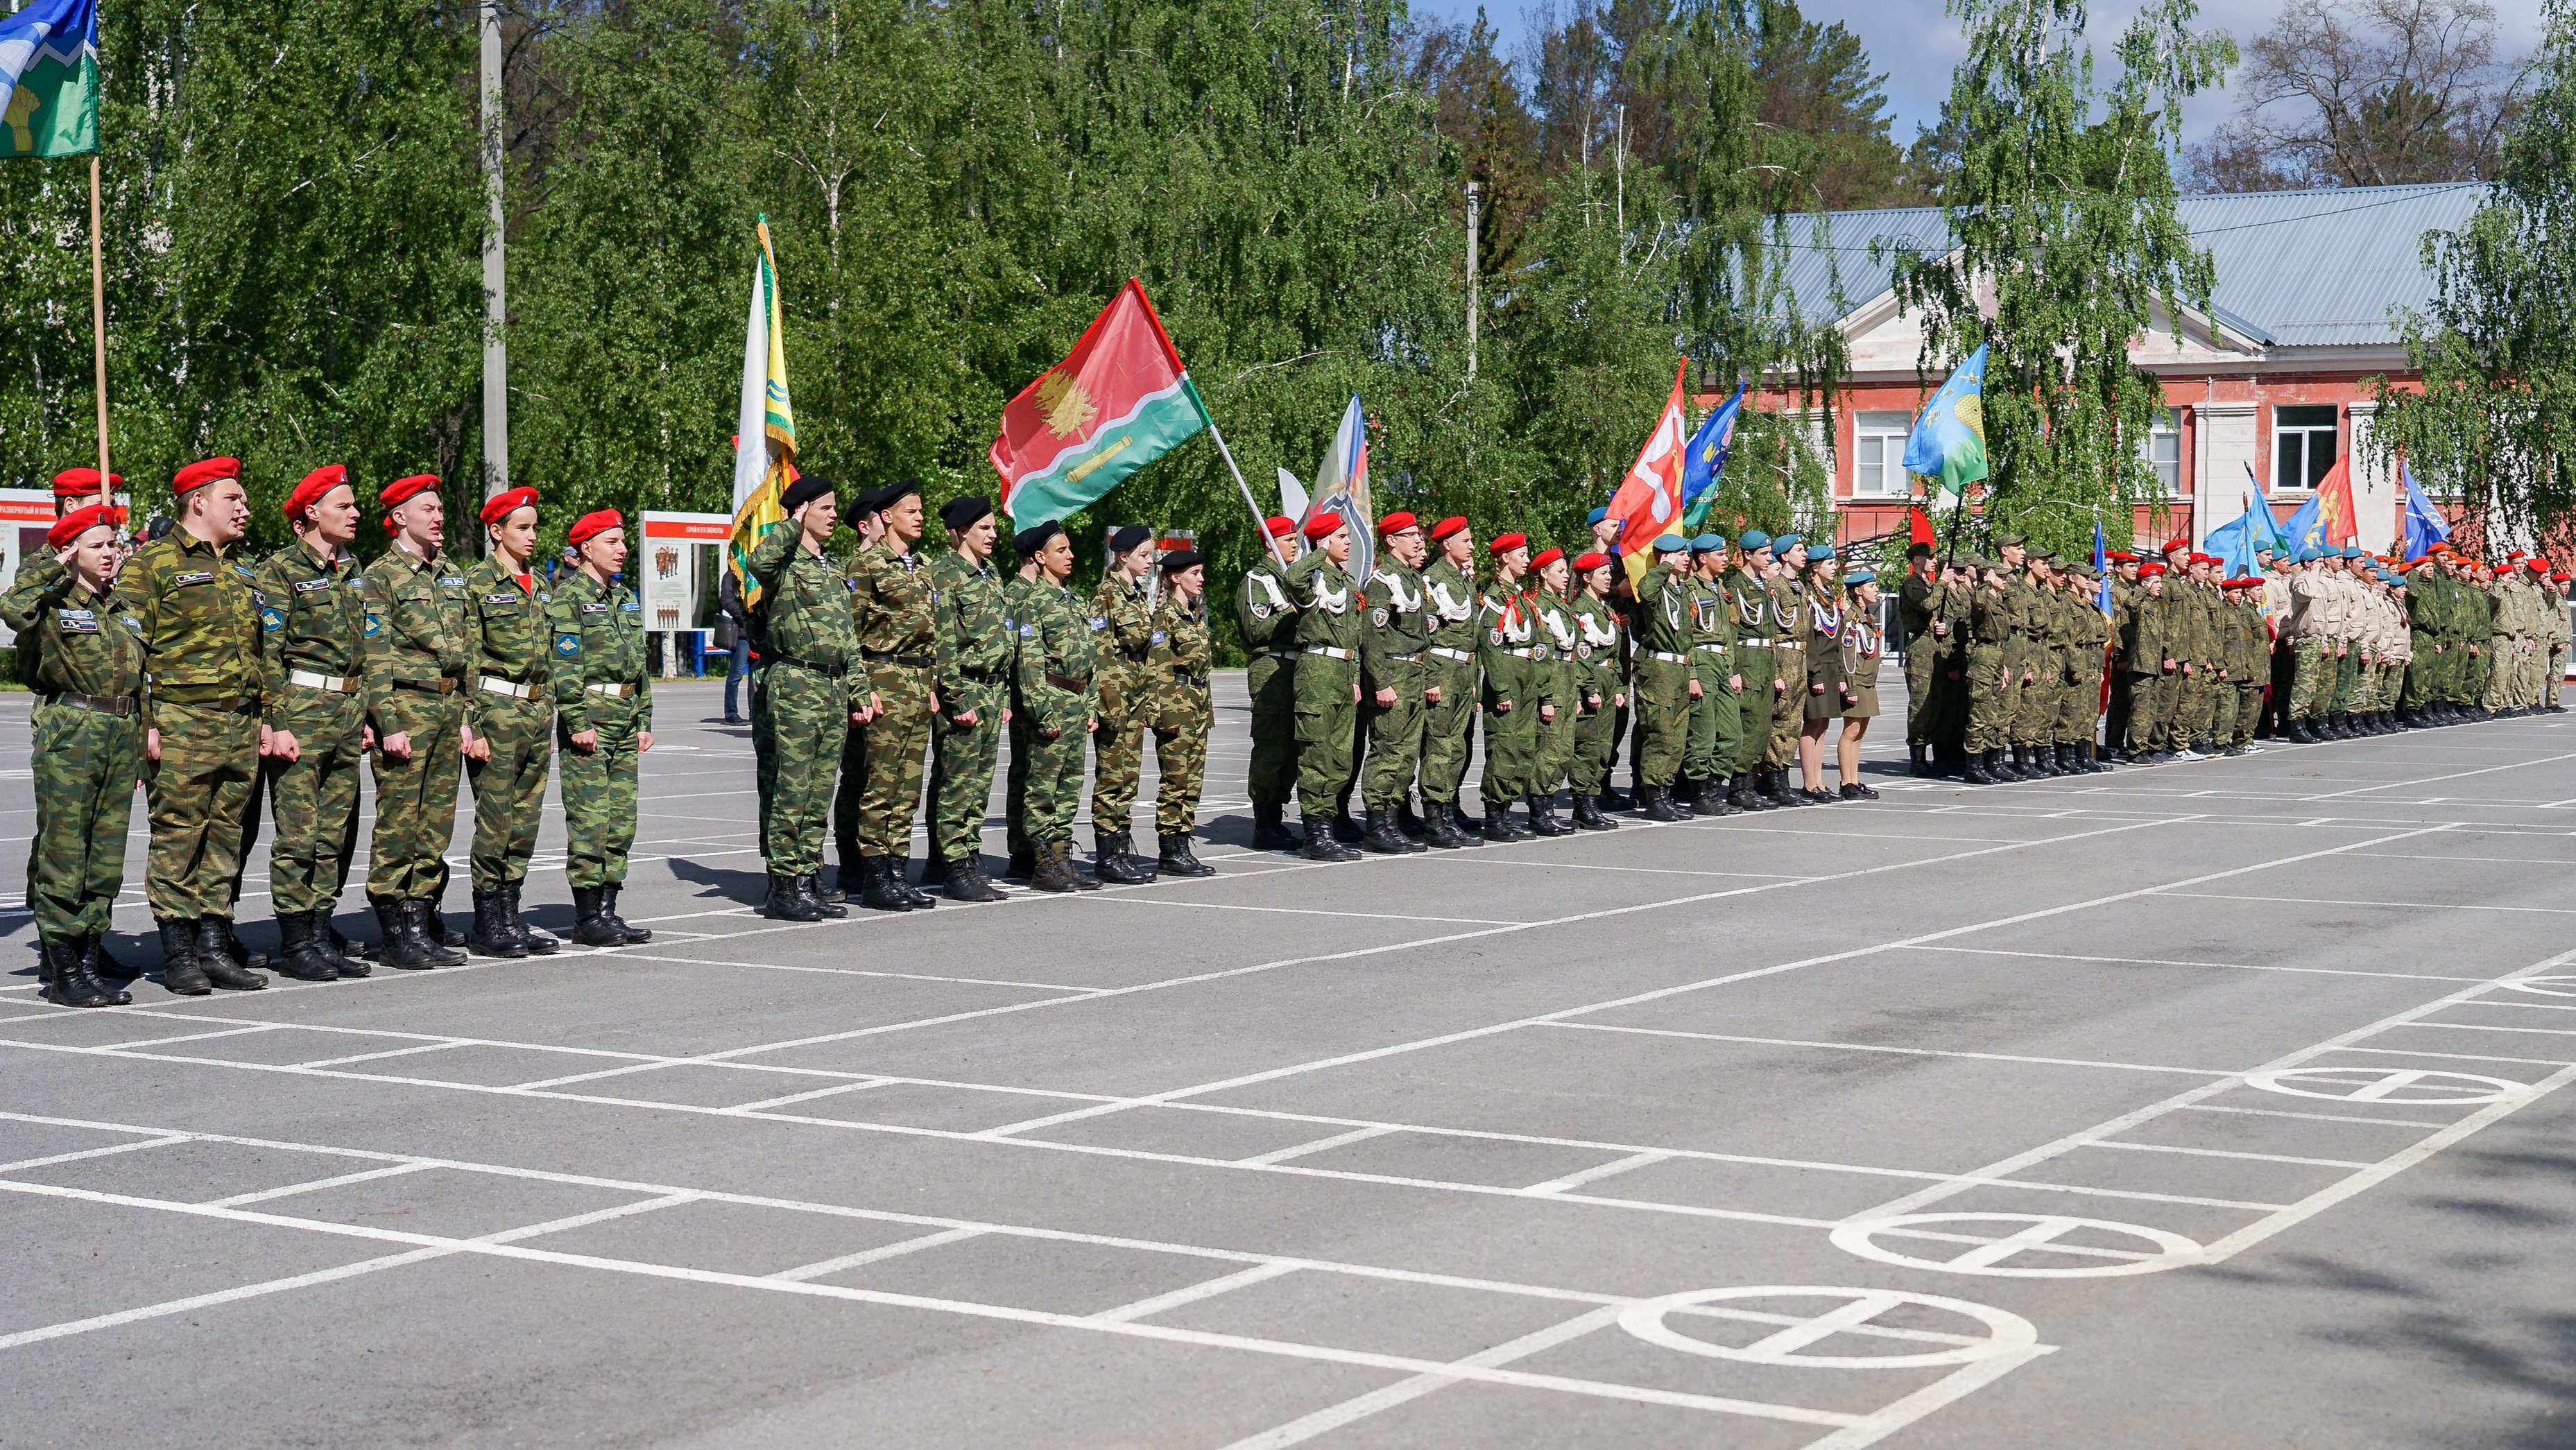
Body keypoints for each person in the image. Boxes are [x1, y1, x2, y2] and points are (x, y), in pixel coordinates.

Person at [133, 457, 271, 993]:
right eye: (233, 499)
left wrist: (263, 716)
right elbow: (131, 651)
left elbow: (261, 652)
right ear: (199, 502)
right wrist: (145, 725)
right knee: (178, 836)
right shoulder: (153, 564)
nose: (244, 508)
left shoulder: (241, 569)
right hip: (182, 721)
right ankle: (179, 953)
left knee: (225, 838)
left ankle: (215, 945)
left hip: (238, 722)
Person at [10, 503, 141, 1005]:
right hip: (72, 730)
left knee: (105, 855)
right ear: (72, 553)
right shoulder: (51, 602)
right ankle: (63, 967)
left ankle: (89, 957)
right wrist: (52, 564)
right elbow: (11, 608)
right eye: (97, 546)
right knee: (66, 852)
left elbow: (138, 679)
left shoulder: (122, 607)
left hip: (120, 729)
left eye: (113, 544)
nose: (109, 553)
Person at [253, 465, 375, 983]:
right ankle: (296, 940)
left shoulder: (354, 569)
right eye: (343, 505)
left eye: (353, 505)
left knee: (335, 834)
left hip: (347, 711)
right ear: (311, 512)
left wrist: (367, 711)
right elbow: (268, 654)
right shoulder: (280, 571)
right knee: (299, 834)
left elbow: (366, 649)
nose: (355, 513)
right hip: (301, 710)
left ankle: (321, 931)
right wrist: (275, 721)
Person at [361, 474, 472, 968]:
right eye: (427, 508)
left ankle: (420, 916)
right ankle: (393, 930)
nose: (439, 516)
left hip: (448, 708)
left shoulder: (450, 572)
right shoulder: (380, 575)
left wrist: (468, 716)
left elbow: (466, 652)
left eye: (441, 509)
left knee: (436, 825)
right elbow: (374, 656)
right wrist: (387, 722)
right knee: (399, 824)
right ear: (400, 517)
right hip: (407, 707)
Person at [746, 475, 861, 921]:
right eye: (825, 507)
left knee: (817, 790)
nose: (834, 515)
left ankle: (809, 873)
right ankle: (784, 882)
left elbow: (846, 636)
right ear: (801, 511)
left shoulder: (830, 568)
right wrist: (791, 523)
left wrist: (858, 687)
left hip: (831, 685)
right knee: (790, 788)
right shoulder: (784, 562)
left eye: (835, 508)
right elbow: (758, 562)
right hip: (795, 683)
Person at [458, 487, 562, 958]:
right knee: (496, 820)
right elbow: (467, 659)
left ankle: (511, 913)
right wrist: (472, 723)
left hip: (537, 711)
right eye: (523, 527)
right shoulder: (476, 583)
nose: (532, 536)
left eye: (535, 527)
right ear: (496, 531)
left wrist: (551, 714)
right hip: (496, 709)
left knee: (525, 822)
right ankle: (487, 920)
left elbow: (550, 657)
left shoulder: (539, 584)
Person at [551, 509, 655, 945]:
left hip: (625, 718)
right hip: (591, 717)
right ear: (586, 548)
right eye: (612, 542)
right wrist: (576, 720)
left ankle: (610, 910)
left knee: (621, 822)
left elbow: (640, 665)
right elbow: (564, 663)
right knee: (590, 821)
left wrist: (645, 717)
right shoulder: (569, 597)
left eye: (623, 541)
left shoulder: (624, 596)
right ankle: (587, 916)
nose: (622, 549)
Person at [846, 478, 943, 911]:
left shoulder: (921, 565)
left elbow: (933, 633)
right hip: (884, 677)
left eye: (921, 511)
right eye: (911, 511)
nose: (920, 517)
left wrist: (934, 684)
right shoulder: (865, 565)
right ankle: (874, 875)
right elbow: (849, 633)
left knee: (908, 786)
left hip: (919, 684)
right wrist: (862, 688)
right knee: (880, 784)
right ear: (886, 517)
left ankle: (898, 869)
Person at [923, 494, 1013, 904]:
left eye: (993, 527)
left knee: (978, 785)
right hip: (967, 688)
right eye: (986, 528)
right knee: (957, 782)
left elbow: (1004, 638)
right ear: (962, 532)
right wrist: (957, 699)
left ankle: (963, 856)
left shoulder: (990, 573)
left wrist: (1006, 691)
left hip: (994, 689)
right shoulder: (944, 575)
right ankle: (954, 866)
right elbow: (943, 644)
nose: (994, 535)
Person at [1008, 519, 1101, 892]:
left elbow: (1091, 658)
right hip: (1052, 699)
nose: (1070, 556)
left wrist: (1091, 704)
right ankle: (1043, 862)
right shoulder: (1032, 603)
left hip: (1077, 701)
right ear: (1039, 557)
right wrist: (1042, 713)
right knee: (1043, 787)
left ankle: (1062, 858)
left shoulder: (1073, 599)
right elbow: (1029, 665)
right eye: (1061, 550)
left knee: (1068, 786)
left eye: (1069, 549)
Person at [1357, 512, 1434, 854]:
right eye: (1410, 535)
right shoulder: (1382, 582)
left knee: (1406, 754)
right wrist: (1381, 682)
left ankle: (1392, 819)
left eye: (1419, 534)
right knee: (1388, 750)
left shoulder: (1412, 579)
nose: (1419, 540)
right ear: (1392, 540)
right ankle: (1378, 825)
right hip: (1393, 674)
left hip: (1414, 674)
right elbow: (1372, 638)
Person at [1087, 523, 1160, 883]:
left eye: (1151, 555)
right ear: (1123, 556)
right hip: (1116, 696)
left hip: (1135, 693)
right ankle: (1107, 853)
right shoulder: (1105, 595)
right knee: (1113, 773)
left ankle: (1121, 842)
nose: (1150, 562)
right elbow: (1100, 653)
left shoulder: (1135, 594)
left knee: (1129, 774)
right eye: (1144, 556)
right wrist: (1109, 703)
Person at [1290, 512, 1364, 861]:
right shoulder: (1313, 576)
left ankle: (1329, 825)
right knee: (1316, 755)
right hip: (1317, 669)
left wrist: (1354, 680)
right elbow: (1292, 578)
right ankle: (1315, 834)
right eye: (1341, 536)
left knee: (1340, 756)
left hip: (1343, 669)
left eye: (1347, 536)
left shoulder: (1346, 580)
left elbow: (1356, 636)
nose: (1348, 542)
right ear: (1324, 541)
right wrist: (1317, 553)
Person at [1475, 533, 1552, 840]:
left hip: (1527, 681)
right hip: (1507, 679)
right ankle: (1495, 816)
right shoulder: (1495, 598)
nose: (1527, 560)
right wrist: (1501, 690)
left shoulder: (1522, 598)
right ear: (1505, 558)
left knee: (1522, 748)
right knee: (1504, 748)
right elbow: (1490, 647)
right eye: (1521, 554)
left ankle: (1506, 810)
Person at [1147, 547, 1218, 876]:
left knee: (1193, 779)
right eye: (1195, 574)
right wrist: (1164, 713)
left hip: (1198, 701)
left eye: (1201, 573)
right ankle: (1170, 847)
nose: (1201, 579)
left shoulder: (1194, 614)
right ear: (1176, 577)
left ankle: (1183, 839)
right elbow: (1158, 666)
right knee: (1175, 778)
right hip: (1177, 703)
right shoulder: (1165, 617)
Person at [1238, 515, 1304, 849]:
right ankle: (1264, 821)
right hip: (1271, 667)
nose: (1295, 544)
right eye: (1287, 540)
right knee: (1272, 746)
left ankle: (1277, 815)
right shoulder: (1259, 579)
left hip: (1300, 668)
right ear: (1269, 543)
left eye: (1295, 539)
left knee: (1294, 746)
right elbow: (1257, 630)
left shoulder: (1295, 576)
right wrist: (1292, 611)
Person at [1418, 516, 1484, 843]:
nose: (1472, 546)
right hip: (1442, 671)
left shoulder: (1463, 580)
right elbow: (1427, 636)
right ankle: (1434, 818)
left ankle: (1446, 811)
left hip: (1463, 672)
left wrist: (1473, 677)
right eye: (1466, 541)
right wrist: (1431, 678)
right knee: (1441, 746)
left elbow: (1472, 636)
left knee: (1456, 747)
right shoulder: (1433, 580)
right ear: (1448, 545)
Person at [1681, 534, 1742, 817]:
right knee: (1703, 734)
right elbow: (1686, 636)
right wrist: (1692, 673)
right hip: (1701, 661)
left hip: (1721, 662)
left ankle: (1714, 786)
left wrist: (1732, 669)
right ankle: (1699, 793)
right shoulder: (1689, 589)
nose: (1726, 558)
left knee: (1732, 734)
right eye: (1721, 554)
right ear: (1703, 558)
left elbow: (1728, 633)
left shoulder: (1720, 589)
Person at [1721, 532, 1780, 813]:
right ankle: (1738, 786)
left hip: (1765, 659)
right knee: (1747, 724)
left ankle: (1749, 784)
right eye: (1764, 554)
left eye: (1770, 553)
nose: (1769, 558)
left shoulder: (1762, 585)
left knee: (1761, 727)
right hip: (1748, 660)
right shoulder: (1736, 586)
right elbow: (1731, 632)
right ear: (1747, 555)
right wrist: (1734, 669)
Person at [1566, 551, 1624, 831]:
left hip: (1609, 679)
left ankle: (1594, 796)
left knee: (1603, 746)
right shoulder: (1580, 610)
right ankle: (1583, 803)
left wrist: (1621, 686)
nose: (1608, 578)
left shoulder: (1605, 609)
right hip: (1592, 681)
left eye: (1609, 573)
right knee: (1588, 746)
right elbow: (1582, 655)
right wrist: (1589, 689)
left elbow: (1616, 653)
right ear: (1587, 578)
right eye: (1603, 574)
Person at [1525, 546, 1579, 836]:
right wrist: (1546, 697)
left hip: (1567, 683)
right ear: (1544, 574)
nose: (1566, 575)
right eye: (1560, 571)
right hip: (1552, 684)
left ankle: (1548, 806)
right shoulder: (1538, 606)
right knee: (1547, 750)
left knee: (1562, 751)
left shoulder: (1562, 606)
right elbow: (1541, 654)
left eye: (1567, 571)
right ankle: (1540, 811)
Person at [1795, 544, 1844, 802]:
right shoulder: (1808, 598)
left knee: (1823, 725)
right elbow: (1809, 640)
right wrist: (1814, 674)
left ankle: (1820, 782)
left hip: (1830, 668)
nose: (1834, 568)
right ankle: (1808, 783)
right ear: (1815, 568)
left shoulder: (1828, 596)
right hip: (1817, 668)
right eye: (1830, 564)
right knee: (1812, 723)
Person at [1833, 569, 1884, 800]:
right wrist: (1850, 687)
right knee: (1851, 730)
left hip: (1867, 682)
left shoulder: (1866, 617)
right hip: (1858, 682)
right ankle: (1846, 782)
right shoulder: (1852, 619)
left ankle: (1854, 779)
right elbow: (1848, 656)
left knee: (1860, 731)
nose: (1876, 590)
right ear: (1858, 591)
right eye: (1871, 586)